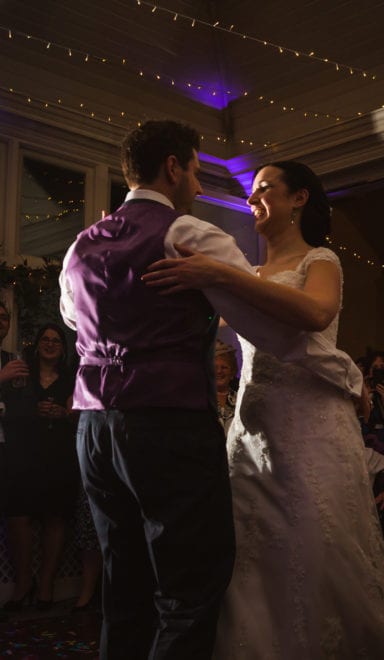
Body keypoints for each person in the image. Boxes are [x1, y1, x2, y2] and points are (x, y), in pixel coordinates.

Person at [141, 158, 384, 658]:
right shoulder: (244, 275)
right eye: (251, 192)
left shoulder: (321, 261)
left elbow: (315, 314)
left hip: (312, 426)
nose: (253, 198)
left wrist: (220, 274)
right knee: (249, 553)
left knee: (316, 547)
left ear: (299, 198)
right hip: (253, 428)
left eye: (264, 189)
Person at [59, 120, 319, 658]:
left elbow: (72, 318)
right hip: (166, 422)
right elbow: (268, 328)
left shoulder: (80, 245)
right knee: (190, 585)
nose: (199, 188)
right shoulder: (188, 235)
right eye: (197, 173)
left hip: (93, 428)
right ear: (173, 167)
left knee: (122, 582)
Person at [1, 324, 76, 613]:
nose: (49, 344)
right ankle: (22, 584)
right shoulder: (21, 374)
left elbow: (81, 415)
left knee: (54, 517)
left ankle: (46, 585)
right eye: (45, 339)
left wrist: (63, 414)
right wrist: (33, 411)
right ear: (37, 344)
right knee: (18, 517)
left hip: (58, 455)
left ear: (63, 346)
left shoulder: (71, 379)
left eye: (55, 340)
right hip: (22, 454)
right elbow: (4, 409)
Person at [214, 342, 238, 433]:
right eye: (214, 367)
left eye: (224, 367)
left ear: (232, 373)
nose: (219, 371)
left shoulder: (241, 400)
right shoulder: (200, 400)